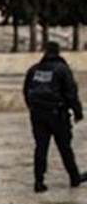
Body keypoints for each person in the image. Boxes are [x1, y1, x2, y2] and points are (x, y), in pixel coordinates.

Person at [24, 41, 84, 192]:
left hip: (38, 115)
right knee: (65, 147)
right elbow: (71, 93)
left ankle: (39, 181)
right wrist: (78, 112)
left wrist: (33, 109)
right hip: (57, 114)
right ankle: (74, 176)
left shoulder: (34, 69)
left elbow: (26, 91)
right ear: (58, 52)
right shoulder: (62, 69)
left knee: (41, 148)